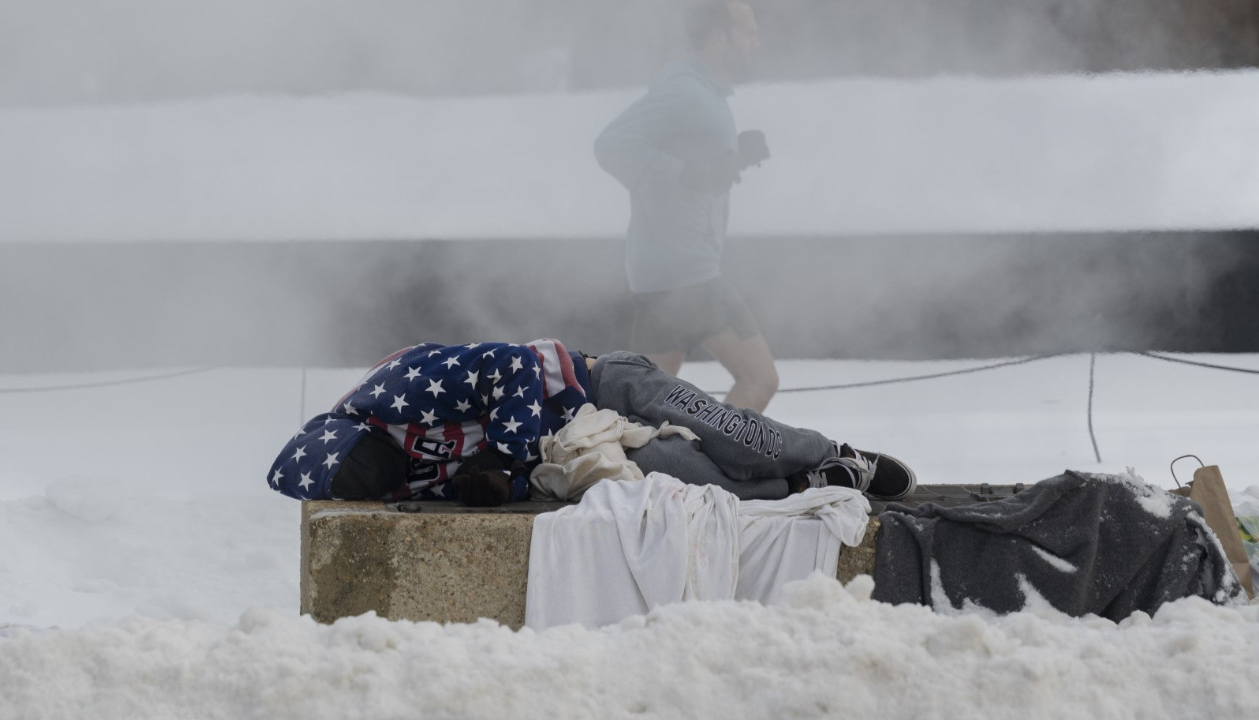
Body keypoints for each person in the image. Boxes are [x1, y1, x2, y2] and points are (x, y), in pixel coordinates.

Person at [266, 339, 916, 506]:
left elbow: (513, 363)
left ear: (353, 439)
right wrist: (503, 485)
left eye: (360, 473)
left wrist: (501, 456)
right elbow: (498, 487)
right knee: (694, 480)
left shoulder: (394, 391)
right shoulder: (401, 483)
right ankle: (806, 487)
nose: (375, 484)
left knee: (738, 438)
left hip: (597, 382)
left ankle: (834, 453)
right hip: (575, 450)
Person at [594, 0, 778, 412]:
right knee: (759, 379)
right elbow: (611, 145)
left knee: (642, 411)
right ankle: (712, 455)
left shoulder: (704, 93)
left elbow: (700, 171)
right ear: (719, 39)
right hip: (688, 274)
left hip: (662, 274)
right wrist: (684, 171)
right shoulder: (684, 90)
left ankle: (636, 458)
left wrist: (735, 158)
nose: (756, 43)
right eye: (748, 33)